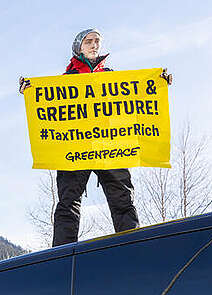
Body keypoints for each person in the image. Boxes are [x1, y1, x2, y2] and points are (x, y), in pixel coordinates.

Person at [19, 29, 173, 247]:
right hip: (76, 148)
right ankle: (62, 254)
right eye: (88, 42)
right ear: (78, 47)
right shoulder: (66, 80)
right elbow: (47, 103)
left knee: (123, 198)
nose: (94, 45)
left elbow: (136, 97)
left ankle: (132, 248)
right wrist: (30, 91)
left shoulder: (112, 77)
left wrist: (159, 83)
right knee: (68, 202)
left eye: (97, 42)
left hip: (109, 146)